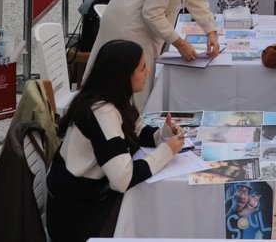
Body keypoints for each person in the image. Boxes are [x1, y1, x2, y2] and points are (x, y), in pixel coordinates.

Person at [47, 40, 185, 241]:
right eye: (142, 68)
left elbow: (137, 132)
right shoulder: (102, 112)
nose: (148, 72)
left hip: (90, 199)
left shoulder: (113, 97)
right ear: (123, 76)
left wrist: (163, 135)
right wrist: (166, 152)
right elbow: (123, 179)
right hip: (78, 217)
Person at [83, 0, 221, 107]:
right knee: (125, 91)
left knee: (127, 90)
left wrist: (210, 31)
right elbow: (152, 13)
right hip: (130, 28)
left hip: (138, 25)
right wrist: (179, 43)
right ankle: (120, 130)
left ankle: (124, 129)